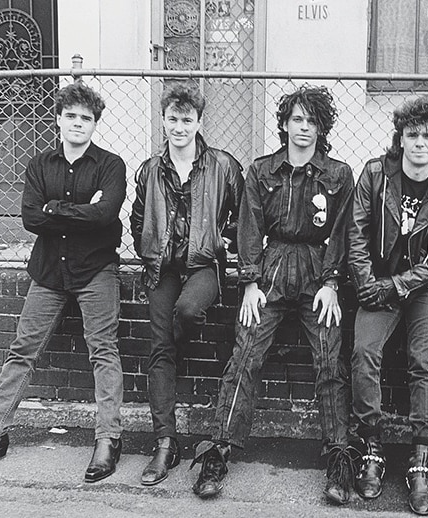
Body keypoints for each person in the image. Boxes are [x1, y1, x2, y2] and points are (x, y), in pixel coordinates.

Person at [0, 82, 127, 483]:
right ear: (59, 119)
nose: (78, 123)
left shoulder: (110, 165)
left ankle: (108, 440)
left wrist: (56, 209)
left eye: (86, 118)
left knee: (103, 351)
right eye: (71, 116)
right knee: (22, 351)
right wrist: (79, 209)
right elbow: (31, 217)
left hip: (95, 270)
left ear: (95, 123)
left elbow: (106, 215)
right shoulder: (39, 164)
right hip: (48, 272)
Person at [191, 85, 356, 505]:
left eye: (312, 121)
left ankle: (338, 457)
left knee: (329, 358)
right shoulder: (262, 170)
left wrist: (333, 284)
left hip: (318, 270)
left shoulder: (338, 174)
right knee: (245, 353)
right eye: (297, 119)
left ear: (322, 127)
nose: (304, 128)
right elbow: (249, 227)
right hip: (273, 267)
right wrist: (249, 283)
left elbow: (342, 232)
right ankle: (219, 449)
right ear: (284, 124)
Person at [348, 96, 428, 515]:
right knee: (364, 352)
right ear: (400, 139)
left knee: (423, 361)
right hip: (376, 283)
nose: (419, 143)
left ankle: (421, 457)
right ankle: (372, 446)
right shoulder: (376, 175)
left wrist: (396, 285)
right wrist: (366, 284)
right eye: (412, 135)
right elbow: (356, 233)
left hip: (424, 288)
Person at [130, 83, 243, 486]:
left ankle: (177, 341)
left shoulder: (222, 165)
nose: (180, 126)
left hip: (204, 265)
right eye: (173, 119)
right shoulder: (149, 169)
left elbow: (240, 212)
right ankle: (165, 442)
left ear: (199, 122)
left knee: (187, 310)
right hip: (161, 268)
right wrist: (148, 247)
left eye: (187, 119)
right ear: (163, 121)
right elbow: (137, 217)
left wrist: (225, 237)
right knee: (158, 349)